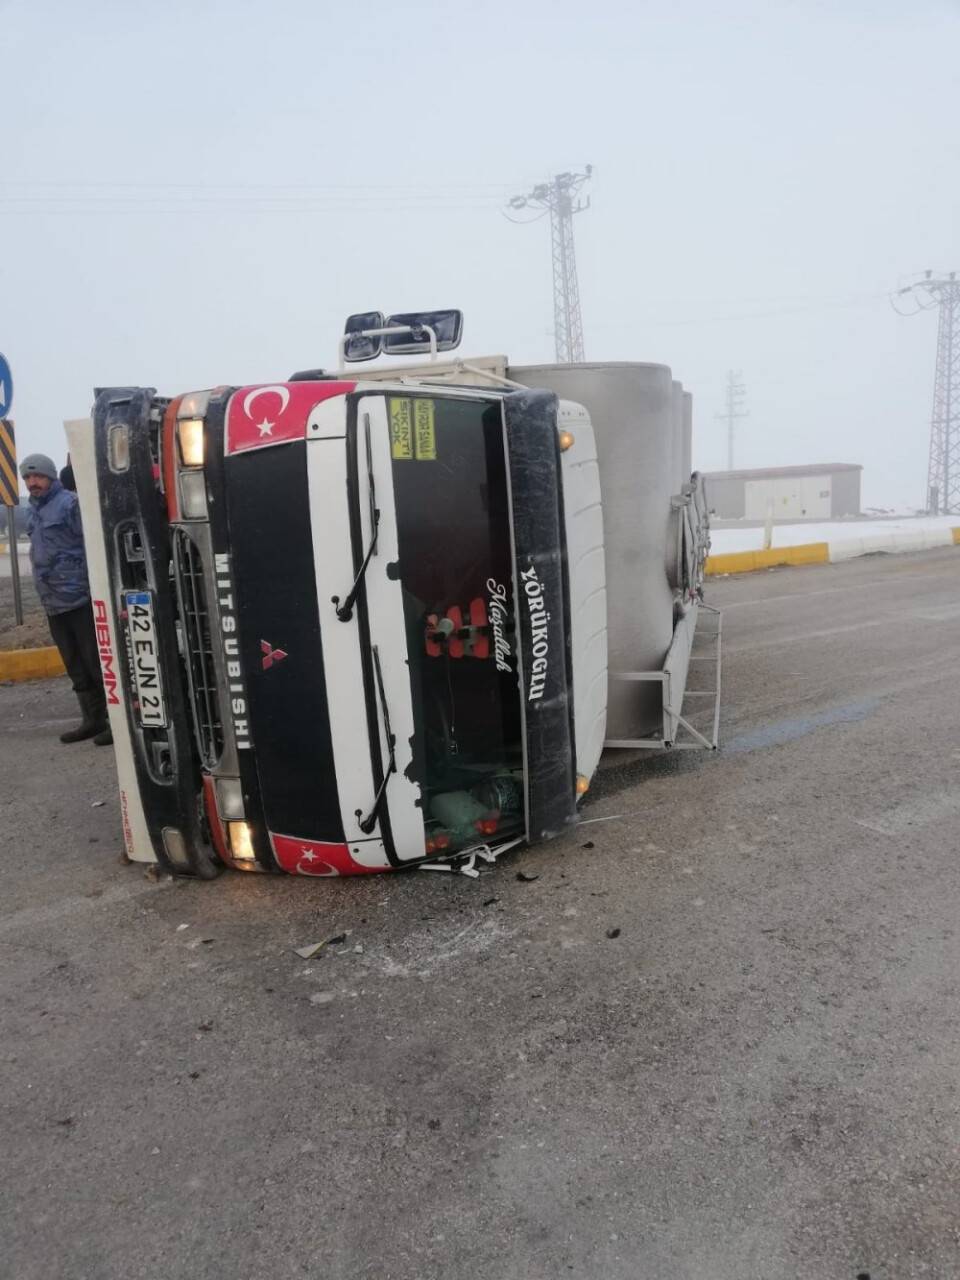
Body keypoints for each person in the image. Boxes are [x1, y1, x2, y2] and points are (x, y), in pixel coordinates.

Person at [19, 453, 113, 746]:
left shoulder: (70, 504)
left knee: (97, 663)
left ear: (50, 477)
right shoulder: (33, 511)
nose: (33, 482)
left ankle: (115, 723)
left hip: (80, 599)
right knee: (75, 665)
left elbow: (94, 543)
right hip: (53, 604)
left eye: (38, 476)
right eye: (28, 478)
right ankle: (93, 719)